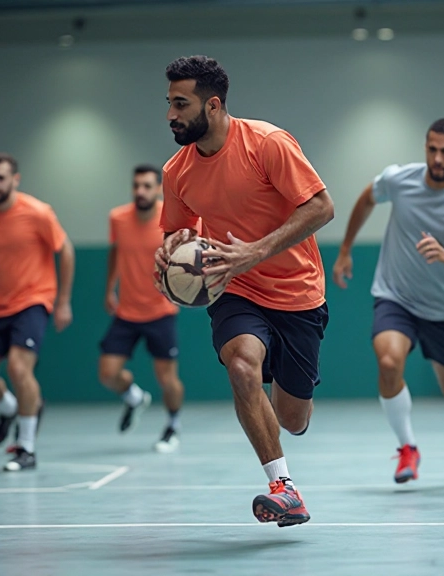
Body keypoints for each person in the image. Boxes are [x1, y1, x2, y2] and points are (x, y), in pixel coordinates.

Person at [155, 55, 333, 527]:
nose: (170, 114)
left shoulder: (267, 144)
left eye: (180, 103)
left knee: (292, 419)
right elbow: (178, 232)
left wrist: (257, 250)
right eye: (168, 103)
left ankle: (279, 393)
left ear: (212, 106)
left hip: (298, 294)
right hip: (236, 288)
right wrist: (169, 254)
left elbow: (321, 207)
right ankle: (284, 487)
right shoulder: (176, 171)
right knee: (240, 364)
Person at [332, 119, 444, 483]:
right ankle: (408, 448)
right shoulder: (399, 180)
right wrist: (345, 250)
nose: (437, 158)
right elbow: (366, 199)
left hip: (443, 309)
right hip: (395, 296)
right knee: (389, 362)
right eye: (432, 149)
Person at [0, 153, 76, 472]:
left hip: (33, 300)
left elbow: (65, 251)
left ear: (15, 179)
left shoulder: (37, 212)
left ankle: (26, 447)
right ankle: (11, 408)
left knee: (18, 369)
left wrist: (63, 301)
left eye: (0, 177)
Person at [100, 164, 189, 453]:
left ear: (158, 189)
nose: (141, 191)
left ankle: (172, 426)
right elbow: (116, 250)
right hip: (126, 311)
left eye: (147, 186)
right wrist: (109, 287)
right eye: (137, 185)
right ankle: (134, 398)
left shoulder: (171, 219)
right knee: (107, 372)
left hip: (161, 312)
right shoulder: (118, 217)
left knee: (167, 379)